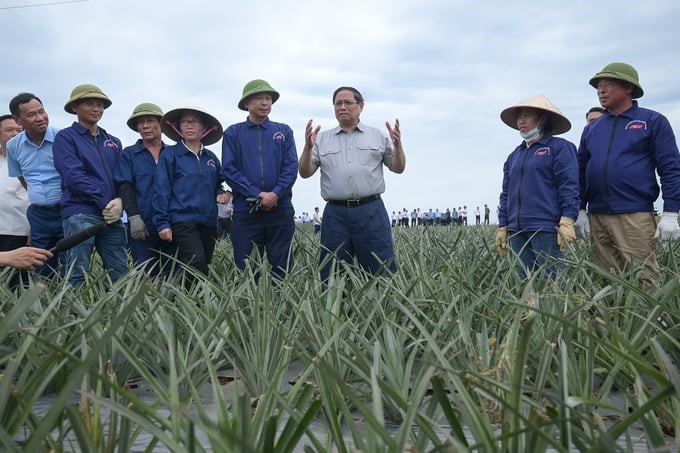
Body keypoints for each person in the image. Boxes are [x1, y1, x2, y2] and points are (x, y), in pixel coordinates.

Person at [575, 62, 680, 285]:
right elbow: (581, 170)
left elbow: (670, 167)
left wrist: (671, 211)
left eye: (608, 84)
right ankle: (612, 319)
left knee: (644, 279)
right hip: (598, 215)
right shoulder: (592, 129)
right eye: (598, 86)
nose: (601, 90)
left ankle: (648, 320)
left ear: (628, 88)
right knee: (606, 279)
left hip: (634, 214)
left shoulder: (652, 121)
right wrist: (580, 208)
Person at [298, 86, 406, 280]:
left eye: (348, 102)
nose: (342, 107)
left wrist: (398, 145)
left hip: (371, 210)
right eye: (338, 103)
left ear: (361, 106)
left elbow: (398, 167)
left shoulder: (378, 135)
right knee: (332, 271)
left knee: (380, 268)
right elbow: (305, 173)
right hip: (335, 214)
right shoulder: (321, 138)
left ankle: (384, 308)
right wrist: (307, 147)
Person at [496, 94, 579, 280]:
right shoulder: (514, 155)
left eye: (526, 115)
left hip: (545, 227)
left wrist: (567, 220)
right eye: (519, 116)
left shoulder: (559, 148)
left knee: (553, 282)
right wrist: (503, 225)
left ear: (542, 119)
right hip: (517, 228)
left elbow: (569, 186)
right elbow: (506, 193)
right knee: (525, 281)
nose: (521, 121)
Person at [221, 79, 298, 279]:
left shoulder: (284, 131)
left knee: (282, 268)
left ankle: (282, 308)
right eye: (259, 98)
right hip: (247, 210)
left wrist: (275, 194)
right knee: (246, 268)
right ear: (247, 103)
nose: (265, 103)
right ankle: (248, 308)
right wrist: (257, 194)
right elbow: (229, 169)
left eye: (268, 98)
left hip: (280, 208)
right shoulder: (232, 133)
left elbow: (291, 167)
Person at [53, 84, 128, 287]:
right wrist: (107, 203)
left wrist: (121, 201)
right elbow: (73, 177)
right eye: (89, 103)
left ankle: (124, 316)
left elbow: (123, 177)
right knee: (77, 272)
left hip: (112, 215)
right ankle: (72, 317)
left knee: (120, 272)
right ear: (75, 107)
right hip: (80, 212)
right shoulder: (66, 137)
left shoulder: (113, 141)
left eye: (100, 104)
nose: (96, 108)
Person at [153, 107, 226, 278]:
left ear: (205, 127)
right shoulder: (170, 155)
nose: (189, 126)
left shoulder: (211, 158)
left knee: (203, 263)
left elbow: (217, 184)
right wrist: (162, 222)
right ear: (178, 126)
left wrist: (221, 192)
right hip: (182, 219)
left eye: (195, 122)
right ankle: (196, 302)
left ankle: (188, 300)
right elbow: (161, 189)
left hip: (208, 221)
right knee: (196, 262)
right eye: (185, 122)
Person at [114, 103, 175, 276]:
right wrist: (133, 217)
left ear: (162, 124)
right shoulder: (129, 154)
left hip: (172, 222)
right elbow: (125, 185)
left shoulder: (173, 153)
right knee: (146, 273)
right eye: (140, 123)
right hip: (142, 223)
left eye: (150, 120)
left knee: (174, 273)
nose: (145, 126)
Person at [6, 93, 64, 276]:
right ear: (18, 120)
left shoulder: (63, 138)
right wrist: (38, 195)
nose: (40, 118)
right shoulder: (13, 146)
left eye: (42, 111)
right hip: (39, 215)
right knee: (41, 265)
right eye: (32, 115)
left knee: (72, 262)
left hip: (66, 210)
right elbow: (21, 177)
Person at [0, 114, 29, 287]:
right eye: (9, 130)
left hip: (19, 233)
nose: (15, 133)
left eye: (19, 130)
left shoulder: (31, 160)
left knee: (17, 286)